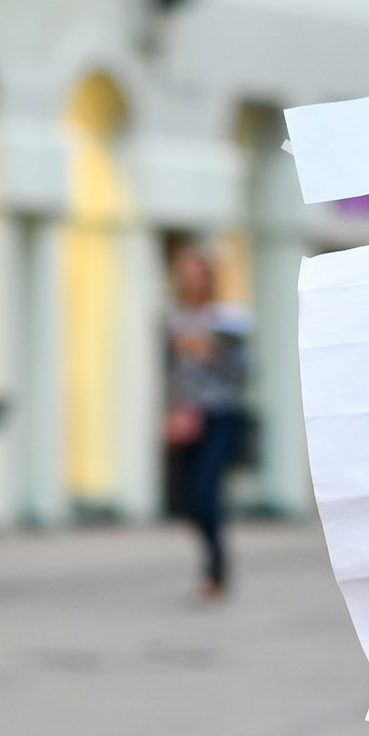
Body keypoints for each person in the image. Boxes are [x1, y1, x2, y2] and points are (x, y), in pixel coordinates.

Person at [164, 242, 248, 599]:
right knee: (184, 498)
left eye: (195, 271)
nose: (189, 278)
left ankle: (216, 566)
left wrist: (212, 351)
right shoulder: (172, 319)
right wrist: (169, 411)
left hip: (220, 414)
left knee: (205, 491)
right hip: (186, 417)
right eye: (183, 271)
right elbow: (169, 372)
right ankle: (214, 553)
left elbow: (245, 371)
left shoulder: (226, 321)